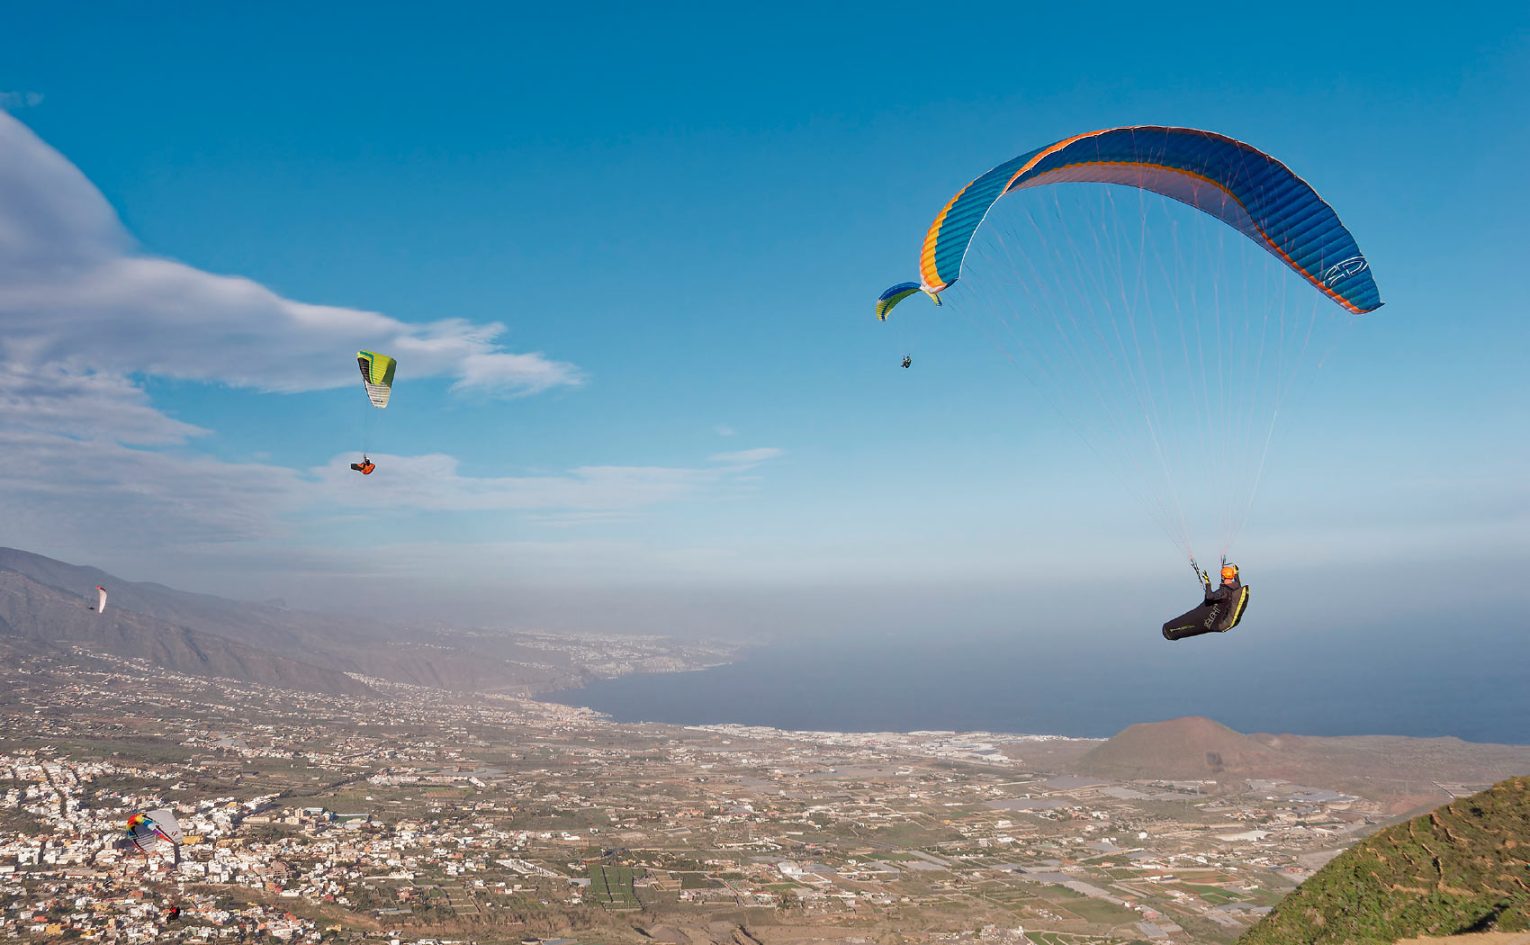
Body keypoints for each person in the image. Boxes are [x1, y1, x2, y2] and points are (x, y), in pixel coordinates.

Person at [1162, 563, 1249, 641]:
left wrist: (1208, 582)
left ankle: (1170, 631)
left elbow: (1209, 597)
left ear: (1223, 576)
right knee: (1192, 625)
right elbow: (1237, 583)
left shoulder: (1223, 592)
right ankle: (1171, 631)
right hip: (1215, 620)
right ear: (1232, 576)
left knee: (1190, 622)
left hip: (1209, 619)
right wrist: (1236, 574)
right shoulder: (1235, 587)